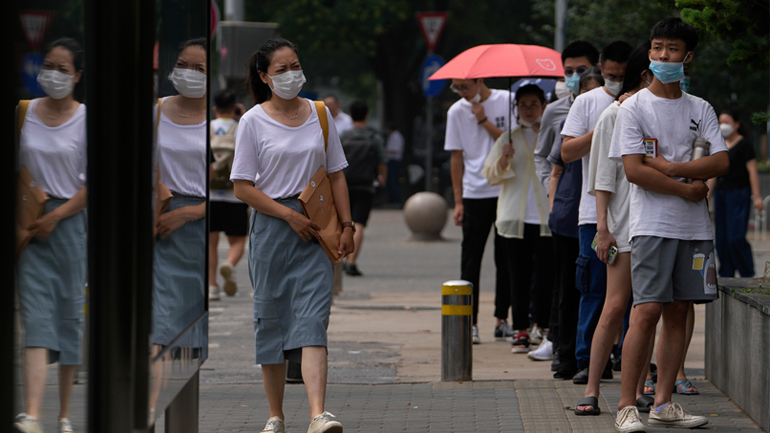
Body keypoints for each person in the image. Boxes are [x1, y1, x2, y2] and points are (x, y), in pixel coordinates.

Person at [610, 17, 728, 431]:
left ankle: (663, 403)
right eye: (657, 47)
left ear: (687, 56)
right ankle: (627, 405)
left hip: (695, 230)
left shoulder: (701, 108)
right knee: (646, 310)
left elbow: (721, 160)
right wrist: (686, 188)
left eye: (672, 49)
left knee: (679, 311)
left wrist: (673, 167)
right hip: (653, 224)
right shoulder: (634, 106)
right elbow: (634, 171)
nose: (663, 55)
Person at [231, 38, 354, 433]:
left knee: (313, 320)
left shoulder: (320, 114)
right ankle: (276, 416)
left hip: (316, 229)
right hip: (271, 228)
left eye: (295, 65)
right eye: (281, 69)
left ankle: (319, 413)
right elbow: (242, 187)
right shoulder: (252, 120)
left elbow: (336, 173)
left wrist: (347, 226)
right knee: (271, 320)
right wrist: (287, 215)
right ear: (265, 77)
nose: (291, 74)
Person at [575, 42, 656, 416]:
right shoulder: (613, 114)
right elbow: (602, 178)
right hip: (621, 227)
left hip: (654, 225)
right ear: (644, 74)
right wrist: (603, 229)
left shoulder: (662, 110)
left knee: (646, 310)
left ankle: (639, 387)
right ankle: (592, 389)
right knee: (614, 306)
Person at [14, 37, 87, 433]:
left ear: (77, 75)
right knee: (36, 318)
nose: (53, 74)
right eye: (48, 66)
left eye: (63, 69)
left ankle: (63, 415)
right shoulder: (23, 112)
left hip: (70, 227)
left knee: (69, 316)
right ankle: (33, 414)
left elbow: (94, 185)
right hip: (29, 227)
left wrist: (57, 216)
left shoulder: (86, 119)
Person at [561, 40, 634, 385]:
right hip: (593, 215)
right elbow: (566, 152)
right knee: (594, 287)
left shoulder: (642, 102)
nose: (618, 79)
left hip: (635, 214)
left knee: (635, 294)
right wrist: (604, 127)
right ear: (601, 68)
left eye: (625, 74)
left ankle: (632, 356)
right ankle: (588, 358)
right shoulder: (587, 103)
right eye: (613, 73)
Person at [530, 40, 600, 365]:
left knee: (596, 284)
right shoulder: (557, 111)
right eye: (568, 71)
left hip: (601, 209)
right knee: (565, 282)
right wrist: (553, 195)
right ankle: (562, 346)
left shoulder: (612, 105)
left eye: (581, 70)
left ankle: (601, 348)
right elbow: (545, 157)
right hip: (567, 209)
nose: (574, 76)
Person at [482, 85, 553, 354]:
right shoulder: (507, 138)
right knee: (517, 275)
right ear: (516, 108)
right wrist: (503, 158)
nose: (528, 109)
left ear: (543, 105)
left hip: (547, 217)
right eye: (523, 105)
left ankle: (541, 325)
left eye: (534, 104)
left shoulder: (552, 133)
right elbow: (489, 175)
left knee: (545, 275)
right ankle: (520, 328)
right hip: (515, 219)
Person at [543, 69, 604, 378]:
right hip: (571, 215)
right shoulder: (570, 122)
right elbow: (556, 166)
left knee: (598, 289)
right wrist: (554, 207)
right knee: (573, 287)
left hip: (598, 213)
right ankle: (568, 354)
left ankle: (603, 355)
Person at [444, 76, 513, 344]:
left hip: (505, 189)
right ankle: (469, 322)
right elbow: (456, 156)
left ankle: (502, 319)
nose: (461, 93)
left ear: (479, 80)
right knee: (471, 259)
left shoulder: (505, 101)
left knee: (505, 257)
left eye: (465, 86)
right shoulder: (456, 111)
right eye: (456, 88)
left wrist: (484, 120)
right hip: (474, 192)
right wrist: (458, 200)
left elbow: (512, 143)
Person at [710, 109, 763, 277]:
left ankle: (747, 274)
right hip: (721, 195)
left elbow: (752, 172)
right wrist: (707, 195)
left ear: (737, 124)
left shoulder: (744, 145)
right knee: (722, 239)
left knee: (736, 237)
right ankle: (726, 274)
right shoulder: (719, 145)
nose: (722, 125)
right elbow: (714, 174)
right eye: (720, 122)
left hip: (739, 194)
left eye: (726, 121)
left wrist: (757, 196)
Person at [339, 100, 387, 277]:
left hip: (343, 185)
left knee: (343, 223)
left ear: (351, 116)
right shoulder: (374, 138)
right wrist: (382, 179)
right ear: (367, 115)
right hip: (365, 186)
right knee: (357, 224)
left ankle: (338, 259)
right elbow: (382, 162)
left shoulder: (343, 136)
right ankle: (351, 262)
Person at [208, 89, 248, 300]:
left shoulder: (208, 128)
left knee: (211, 243)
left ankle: (212, 286)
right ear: (234, 108)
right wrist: (241, 116)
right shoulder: (241, 126)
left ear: (215, 109)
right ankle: (229, 263)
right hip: (235, 195)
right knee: (238, 241)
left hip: (211, 194)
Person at [385, 122, 404, 204]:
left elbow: (396, 150)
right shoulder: (393, 136)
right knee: (391, 180)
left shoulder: (396, 137)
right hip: (391, 160)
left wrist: (386, 151)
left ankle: (395, 200)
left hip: (394, 160)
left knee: (393, 180)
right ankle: (392, 199)